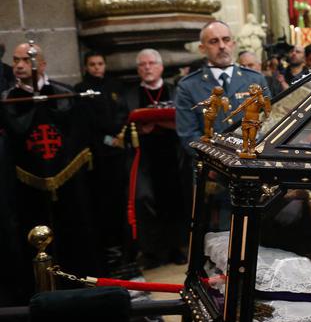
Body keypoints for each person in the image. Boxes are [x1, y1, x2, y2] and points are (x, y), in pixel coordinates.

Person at [0, 43, 102, 290]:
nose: (20, 65)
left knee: (72, 229)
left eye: (26, 60)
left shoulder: (64, 95)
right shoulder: (6, 101)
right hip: (25, 184)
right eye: (15, 60)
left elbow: (77, 137)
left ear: (42, 64)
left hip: (67, 183)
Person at [124, 49, 185, 268]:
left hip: (172, 155)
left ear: (160, 67)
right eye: (142, 64)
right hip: (144, 157)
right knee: (145, 200)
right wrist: (138, 128)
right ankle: (152, 251)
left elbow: (185, 117)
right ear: (138, 70)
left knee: (174, 200)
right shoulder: (130, 95)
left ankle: (175, 248)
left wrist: (162, 123)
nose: (147, 67)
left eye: (151, 63)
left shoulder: (175, 90)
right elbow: (122, 124)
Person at [74, 51, 132, 274]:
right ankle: (109, 253)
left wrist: (121, 135)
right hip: (99, 155)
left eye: (100, 63)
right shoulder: (82, 89)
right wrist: (109, 139)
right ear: (86, 67)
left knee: (121, 201)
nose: (97, 67)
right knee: (103, 203)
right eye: (92, 64)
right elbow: (88, 122)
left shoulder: (114, 85)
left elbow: (123, 113)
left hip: (119, 152)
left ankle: (125, 251)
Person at [175, 21, 270, 156]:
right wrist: (216, 161)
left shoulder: (255, 79)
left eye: (226, 40)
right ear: (202, 48)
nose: (221, 46)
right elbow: (189, 135)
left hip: (253, 161)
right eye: (214, 41)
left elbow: (269, 121)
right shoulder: (189, 86)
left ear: (233, 44)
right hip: (213, 168)